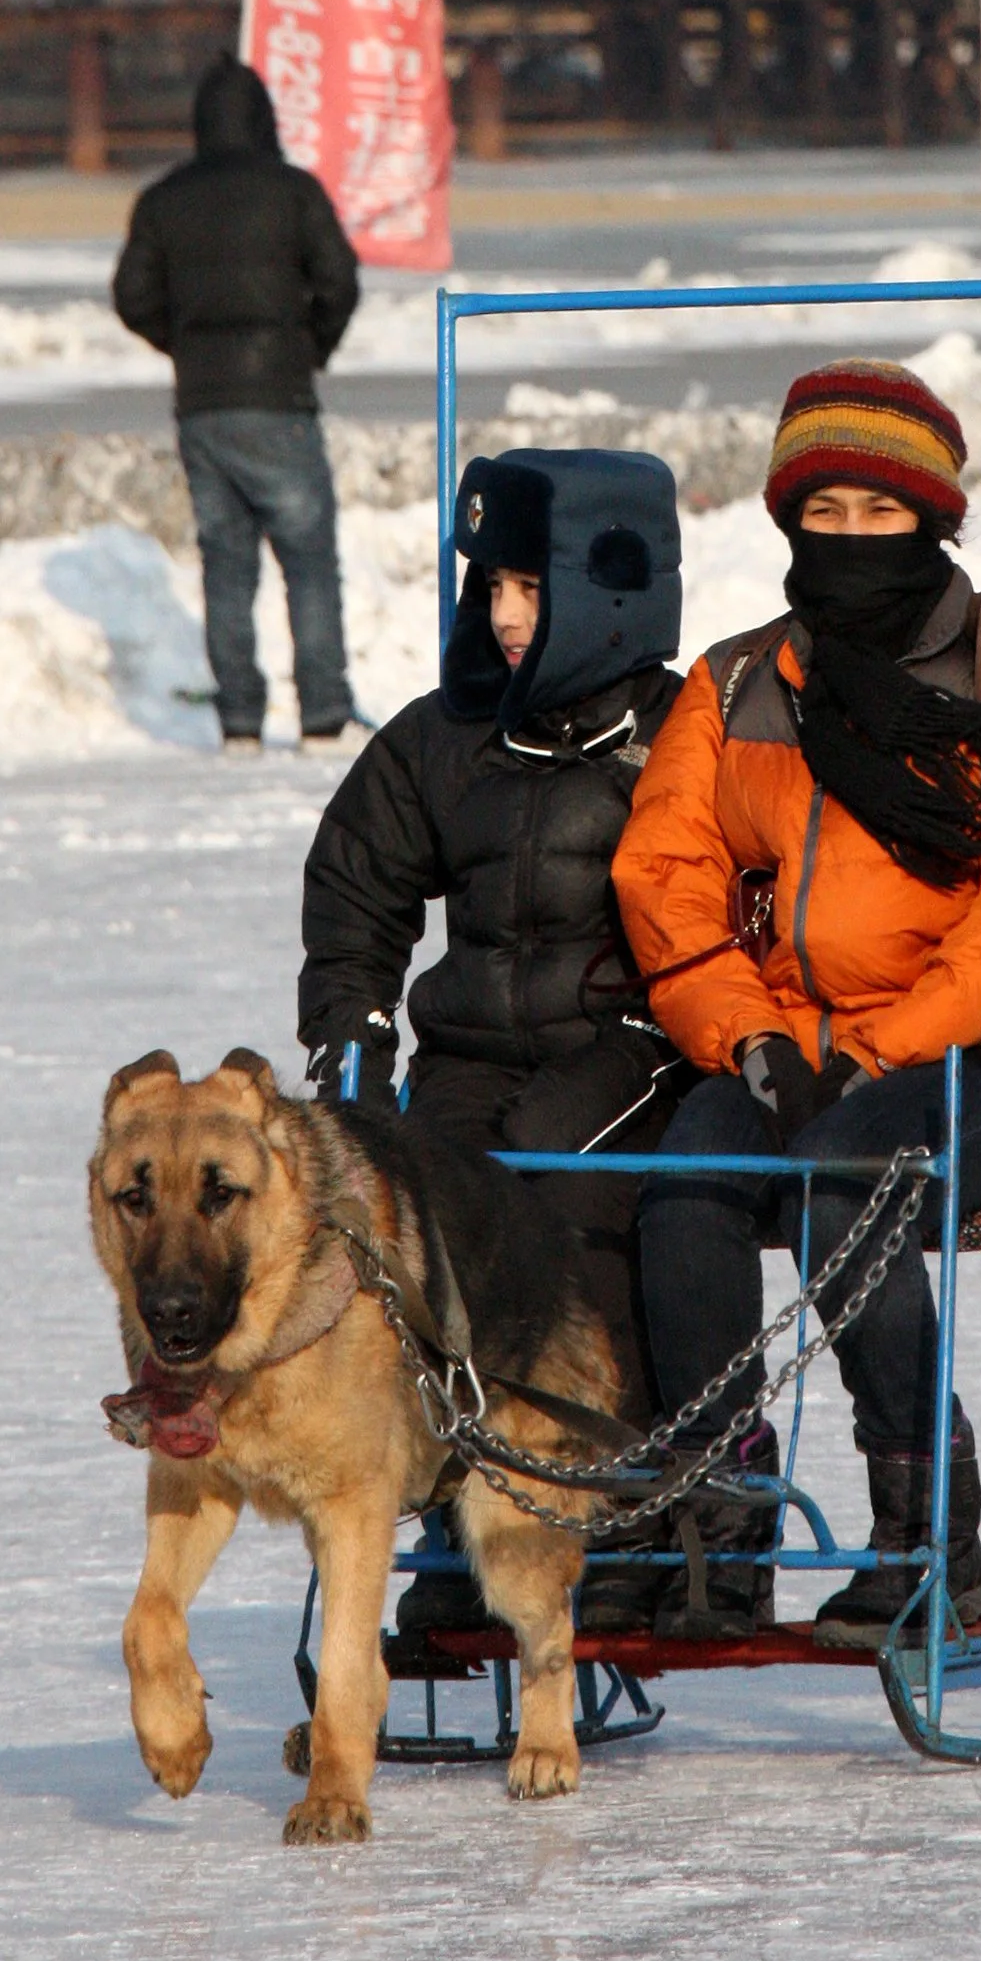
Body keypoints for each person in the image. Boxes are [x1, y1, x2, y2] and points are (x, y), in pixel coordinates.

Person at [614, 358, 981, 1645]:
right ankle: (720, 1525)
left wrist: (884, 1047)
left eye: (878, 513)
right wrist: (753, 1033)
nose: (847, 540)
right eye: (820, 512)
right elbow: (665, 871)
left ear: (935, 519)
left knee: (856, 1174)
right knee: (685, 1180)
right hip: (796, 1041)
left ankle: (926, 1543)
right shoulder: (739, 686)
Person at [298, 445, 691, 1633]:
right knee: (423, 1217)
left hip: (637, 1041)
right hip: (473, 1054)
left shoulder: (683, 731)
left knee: (563, 1184)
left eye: (533, 588)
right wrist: (351, 1029)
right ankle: (462, 1517)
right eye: (490, 588)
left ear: (607, 582)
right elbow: (357, 882)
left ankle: (618, 1507)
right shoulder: (443, 735)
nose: (507, 617)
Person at [110, 55, 362, 755]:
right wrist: (311, 347)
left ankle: (240, 722)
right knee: (308, 561)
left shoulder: (162, 200)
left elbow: (132, 298)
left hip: (203, 406)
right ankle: (322, 715)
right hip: (280, 396)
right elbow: (339, 279)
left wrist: (184, 345)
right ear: (264, 119)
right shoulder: (294, 192)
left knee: (226, 566)